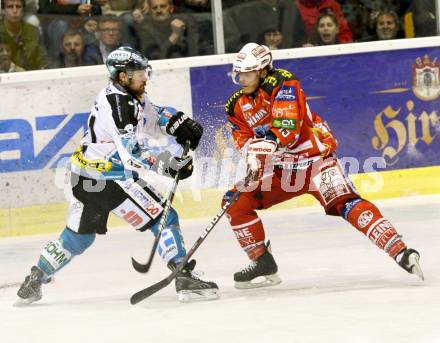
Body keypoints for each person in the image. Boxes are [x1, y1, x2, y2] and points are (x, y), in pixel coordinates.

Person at [16, 46, 219, 305]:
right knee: (165, 218)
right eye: (139, 73)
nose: (145, 77)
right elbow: (131, 152)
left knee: (78, 237)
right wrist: (170, 167)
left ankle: (36, 276)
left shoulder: (128, 95)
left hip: (83, 176)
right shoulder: (119, 105)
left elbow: (153, 116)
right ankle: (184, 277)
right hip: (110, 179)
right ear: (123, 76)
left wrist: (177, 122)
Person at [222, 42, 424, 289]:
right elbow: (243, 137)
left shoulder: (284, 83)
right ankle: (263, 263)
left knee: (346, 203)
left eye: (248, 72)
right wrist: (250, 154)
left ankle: (400, 250)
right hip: (282, 171)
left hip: (316, 161)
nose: (242, 78)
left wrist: (267, 144)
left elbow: (287, 129)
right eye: (239, 72)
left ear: (263, 70)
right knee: (234, 202)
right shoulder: (235, 105)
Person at [0, 0, 48, 70]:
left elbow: (43, 59)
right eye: (10, 7)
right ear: (3, 11)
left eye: (18, 7)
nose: (15, 11)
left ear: (23, 11)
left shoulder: (33, 31)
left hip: (30, 76)